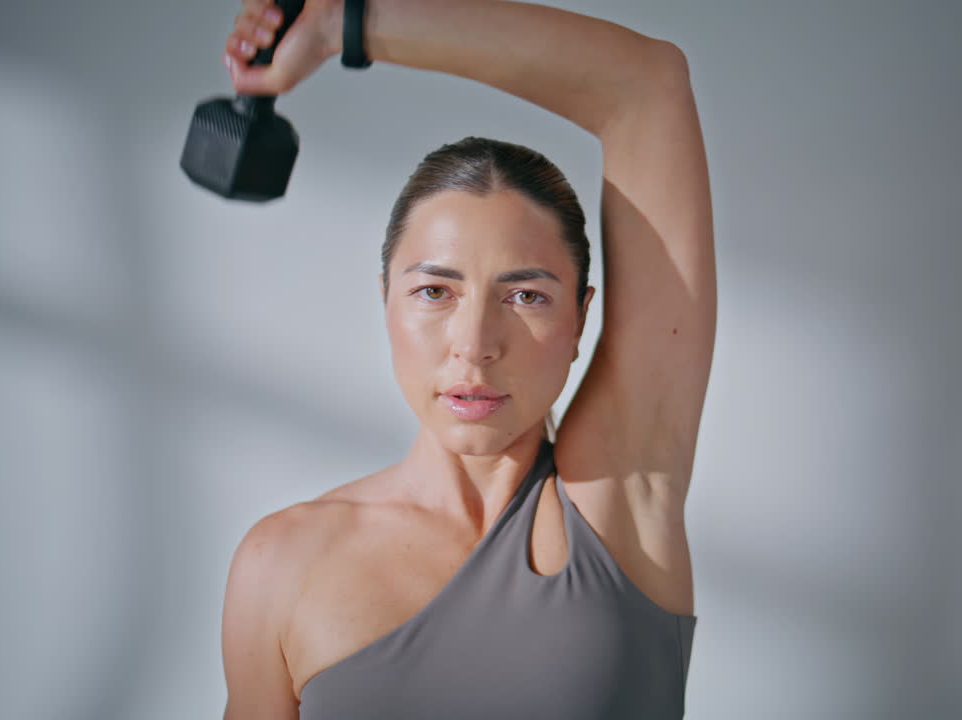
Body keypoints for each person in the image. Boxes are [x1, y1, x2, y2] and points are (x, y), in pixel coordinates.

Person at [217, 1, 715, 717]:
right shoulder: (282, 563)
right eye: (434, 291)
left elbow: (646, 85)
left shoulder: (622, 499)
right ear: (385, 300)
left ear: (583, 317)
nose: (475, 342)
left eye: (526, 297)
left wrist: (343, 25)